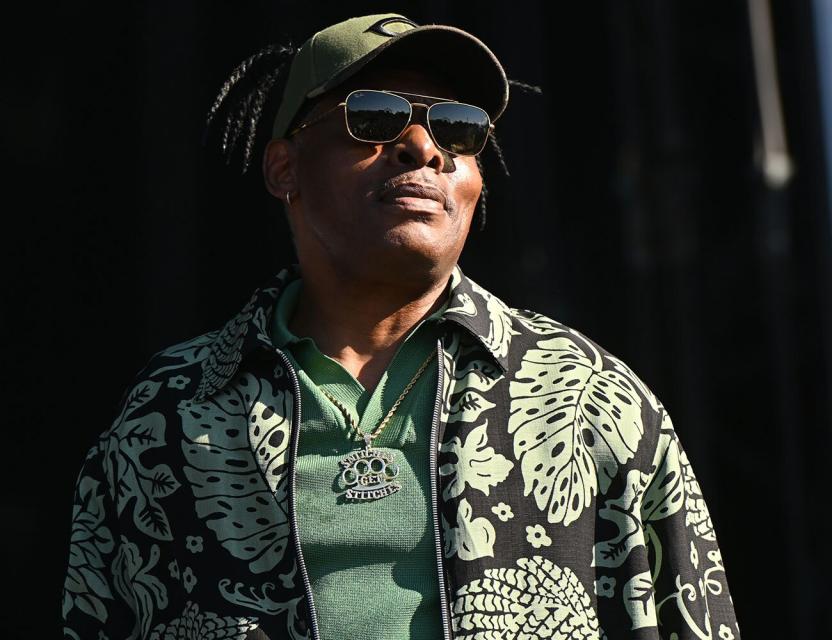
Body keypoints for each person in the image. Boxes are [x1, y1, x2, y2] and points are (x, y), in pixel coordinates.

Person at [61, 13, 739, 640]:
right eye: (376, 116)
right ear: (284, 166)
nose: (422, 146)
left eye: (459, 129)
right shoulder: (169, 414)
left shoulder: (589, 396)